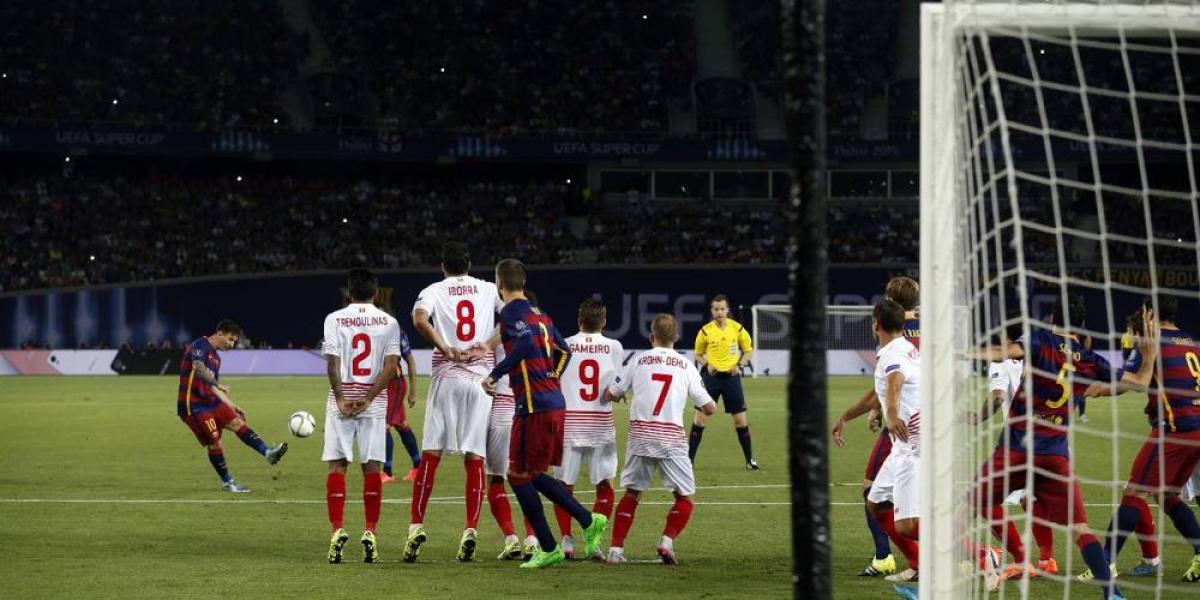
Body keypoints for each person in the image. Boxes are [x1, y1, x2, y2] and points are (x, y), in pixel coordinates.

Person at [973, 295, 1155, 598]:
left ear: (1051, 319)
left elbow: (1000, 375)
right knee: (1076, 526)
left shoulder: (1033, 345)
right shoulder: (1081, 356)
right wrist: (1145, 357)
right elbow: (1135, 381)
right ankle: (1106, 589)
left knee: (973, 505)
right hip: (1057, 450)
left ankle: (996, 558)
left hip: (1019, 447)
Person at [481, 258, 607, 569]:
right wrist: (553, 374)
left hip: (534, 406)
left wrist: (494, 375)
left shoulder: (510, 312)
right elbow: (564, 351)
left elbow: (523, 343)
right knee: (532, 474)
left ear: (499, 283)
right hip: (552, 402)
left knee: (517, 474)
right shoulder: (541, 315)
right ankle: (588, 520)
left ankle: (549, 545)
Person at [1085, 295, 1200, 582]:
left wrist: (1095, 389)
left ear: (1151, 314)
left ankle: (1105, 564)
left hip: (1174, 431)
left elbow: (1129, 381)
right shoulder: (1192, 343)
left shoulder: (1153, 342)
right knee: (1166, 494)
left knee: (1135, 492)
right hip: (1195, 429)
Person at [403, 242, 501, 563]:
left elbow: (419, 320)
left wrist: (444, 346)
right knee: (475, 457)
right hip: (480, 381)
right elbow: (513, 318)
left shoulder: (432, 289)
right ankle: (470, 528)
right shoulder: (488, 288)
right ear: (469, 264)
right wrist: (486, 344)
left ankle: (416, 527)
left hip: (446, 377)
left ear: (443, 266)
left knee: (431, 453)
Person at [604, 313, 716, 565]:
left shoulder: (638, 360)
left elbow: (611, 393)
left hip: (641, 436)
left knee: (632, 493)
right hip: (671, 440)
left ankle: (615, 550)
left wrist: (615, 394)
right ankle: (666, 542)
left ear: (651, 336)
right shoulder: (685, 365)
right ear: (676, 337)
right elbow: (709, 408)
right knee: (686, 498)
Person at [829, 276, 921, 578]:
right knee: (880, 497)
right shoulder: (924, 333)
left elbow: (895, 379)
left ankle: (888, 557)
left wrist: (886, 410)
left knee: (873, 492)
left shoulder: (896, 336)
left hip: (907, 426)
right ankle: (915, 560)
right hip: (921, 418)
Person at [321, 269, 401, 564]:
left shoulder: (334, 319)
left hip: (340, 403)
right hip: (373, 403)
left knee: (337, 467)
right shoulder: (389, 322)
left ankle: (337, 531)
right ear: (376, 293)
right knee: (372, 469)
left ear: (348, 293)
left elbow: (333, 362)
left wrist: (342, 397)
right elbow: (392, 367)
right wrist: (368, 398)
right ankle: (370, 532)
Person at [969, 320, 1060, 578]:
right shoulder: (1046, 354)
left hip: (1020, 443)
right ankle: (1047, 560)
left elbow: (998, 397)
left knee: (983, 496)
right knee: (1032, 497)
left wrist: (977, 417)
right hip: (1053, 439)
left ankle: (1020, 559)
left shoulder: (1002, 360)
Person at [177, 319, 287, 493]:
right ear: (219, 333)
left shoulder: (217, 358)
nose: (232, 344)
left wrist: (232, 405)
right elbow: (198, 367)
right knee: (215, 442)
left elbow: (213, 387)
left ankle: (268, 453)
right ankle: (228, 482)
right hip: (194, 406)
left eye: (234, 341)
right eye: (230, 339)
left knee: (237, 422)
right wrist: (215, 383)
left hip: (210, 401)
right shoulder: (200, 345)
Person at [554, 297, 624, 559]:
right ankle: (594, 542)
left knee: (563, 487)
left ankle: (567, 540)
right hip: (600, 426)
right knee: (605, 485)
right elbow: (614, 388)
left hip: (568, 424)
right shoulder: (614, 347)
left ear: (578, 320)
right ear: (604, 321)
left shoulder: (565, 344)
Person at [861, 300, 923, 585]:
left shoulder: (892, 354)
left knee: (908, 526)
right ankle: (919, 563)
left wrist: (893, 413)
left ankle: (976, 550)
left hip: (911, 441)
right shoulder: (903, 347)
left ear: (876, 323)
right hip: (904, 442)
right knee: (875, 503)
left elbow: (895, 380)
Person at [688, 294, 756, 469]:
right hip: (711, 378)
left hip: (731, 378)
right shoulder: (705, 331)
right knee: (700, 420)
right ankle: (689, 461)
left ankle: (750, 460)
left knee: (740, 421)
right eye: (716, 309)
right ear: (712, 311)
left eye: (722, 309)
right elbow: (697, 354)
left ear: (727, 310)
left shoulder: (737, 329)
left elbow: (748, 350)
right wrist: (707, 364)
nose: (719, 312)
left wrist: (739, 365)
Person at [382, 327, 420, 483]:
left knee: (382, 426)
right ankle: (418, 466)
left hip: (393, 384)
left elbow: (410, 360)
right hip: (381, 383)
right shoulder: (369, 327)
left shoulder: (395, 331)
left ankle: (387, 472)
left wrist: (413, 391)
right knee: (401, 425)